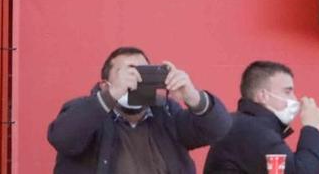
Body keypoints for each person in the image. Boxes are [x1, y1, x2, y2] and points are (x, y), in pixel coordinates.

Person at [48, 47, 232, 174]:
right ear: (105, 85)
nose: (135, 80)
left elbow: (218, 129)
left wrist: (192, 96)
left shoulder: (166, 112)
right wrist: (112, 95)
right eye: (128, 74)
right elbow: (63, 138)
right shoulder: (85, 111)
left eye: (142, 73)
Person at [202, 61, 319, 174]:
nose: (295, 99)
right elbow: (301, 171)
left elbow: (292, 166)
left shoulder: (247, 124)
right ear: (263, 95)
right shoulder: (252, 130)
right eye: (287, 92)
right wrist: (311, 127)